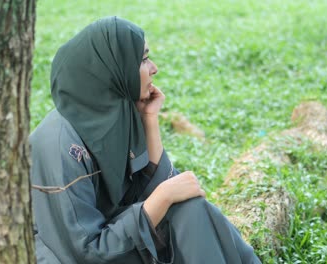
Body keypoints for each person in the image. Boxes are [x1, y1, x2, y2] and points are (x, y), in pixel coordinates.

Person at [30, 16, 261, 264]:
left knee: (191, 209)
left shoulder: (115, 116)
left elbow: (153, 190)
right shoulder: (60, 146)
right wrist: (163, 196)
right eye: (142, 60)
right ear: (112, 69)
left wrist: (149, 120)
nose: (153, 68)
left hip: (115, 241)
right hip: (72, 256)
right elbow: (86, 251)